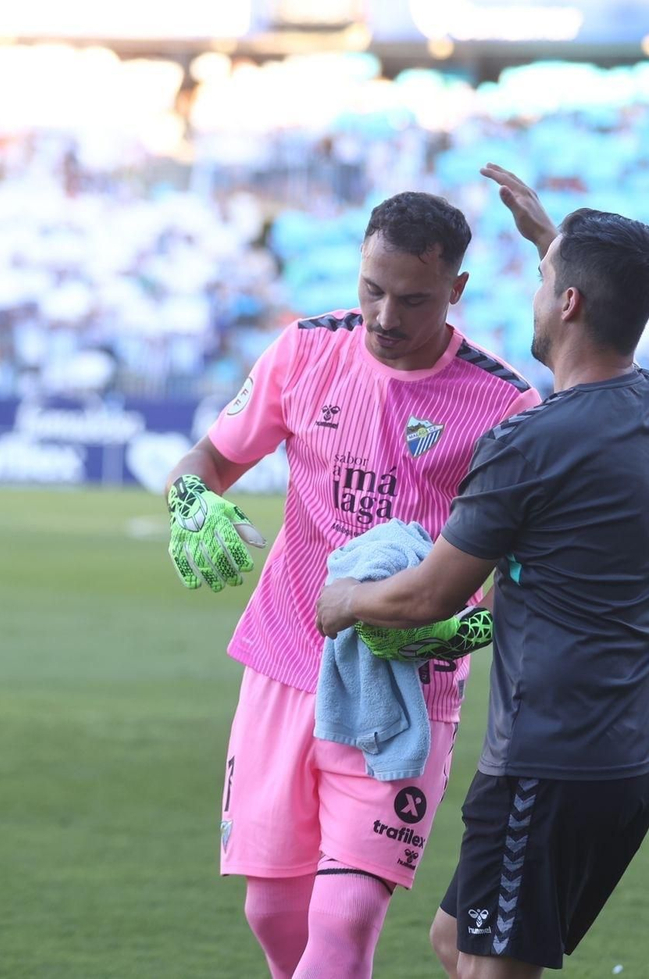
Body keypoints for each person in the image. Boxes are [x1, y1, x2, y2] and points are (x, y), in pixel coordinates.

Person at [164, 177, 544, 979]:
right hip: (282, 664)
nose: (384, 317)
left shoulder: (503, 403)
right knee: (274, 910)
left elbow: (517, 583)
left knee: (344, 915)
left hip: (404, 684)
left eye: (412, 300)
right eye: (372, 290)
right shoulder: (306, 350)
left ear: (456, 291)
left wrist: (456, 630)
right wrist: (193, 502)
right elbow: (206, 460)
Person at [316, 198, 649, 979]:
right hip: (632, 753)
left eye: (545, 277)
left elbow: (428, 598)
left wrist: (344, 600)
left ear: (569, 302)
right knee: (455, 941)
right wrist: (563, 245)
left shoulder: (530, 444)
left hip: (548, 764)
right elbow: (609, 299)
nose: (535, 290)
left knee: (489, 970)